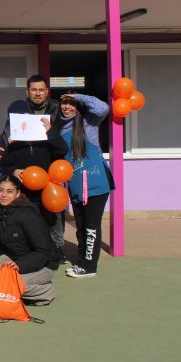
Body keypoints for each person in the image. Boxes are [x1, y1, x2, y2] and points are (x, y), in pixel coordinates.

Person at [0, 75, 68, 261]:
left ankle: (56, 250)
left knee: (53, 217)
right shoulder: (17, 117)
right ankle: (30, 251)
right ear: (27, 91)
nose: (37, 93)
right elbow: (4, 154)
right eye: (33, 90)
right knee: (28, 219)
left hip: (49, 182)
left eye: (41, 90)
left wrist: (50, 131)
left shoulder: (55, 110)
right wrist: (12, 170)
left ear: (46, 92)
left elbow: (62, 149)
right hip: (24, 185)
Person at [58, 94, 111, 278]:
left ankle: (89, 267)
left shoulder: (89, 122)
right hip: (76, 187)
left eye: (71, 104)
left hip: (95, 185)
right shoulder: (59, 128)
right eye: (64, 103)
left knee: (91, 226)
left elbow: (102, 107)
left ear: (79, 106)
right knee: (81, 226)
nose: (67, 107)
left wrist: (77, 95)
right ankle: (82, 262)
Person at [0, 176, 59, 305]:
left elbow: (43, 251)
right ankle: (21, 289)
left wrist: (20, 265)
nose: (3, 195)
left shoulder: (28, 215)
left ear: (18, 193)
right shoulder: (1, 214)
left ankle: (46, 291)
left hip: (45, 264)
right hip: (17, 258)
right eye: (1, 190)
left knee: (12, 284)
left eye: (9, 191)